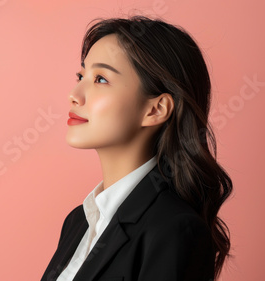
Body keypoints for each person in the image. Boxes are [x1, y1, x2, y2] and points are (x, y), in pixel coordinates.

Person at [41, 16, 233, 281]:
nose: (74, 93)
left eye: (101, 79)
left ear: (155, 109)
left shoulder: (174, 229)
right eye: (81, 75)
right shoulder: (78, 221)